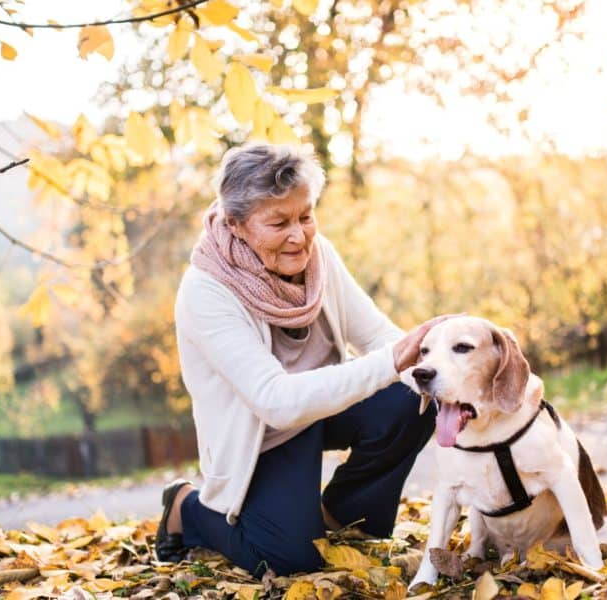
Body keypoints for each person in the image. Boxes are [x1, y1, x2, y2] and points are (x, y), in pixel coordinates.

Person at [157, 142, 445, 577]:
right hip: (263, 435)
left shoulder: (317, 255)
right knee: (288, 560)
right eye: (279, 222)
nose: (299, 235)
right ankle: (189, 508)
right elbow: (276, 402)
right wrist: (392, 361)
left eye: (305, 216)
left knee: (418, 397)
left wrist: (439, 369)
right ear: (236, 224)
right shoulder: (206, 291)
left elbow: (377, 336)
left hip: (322, 407)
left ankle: (343, 518)